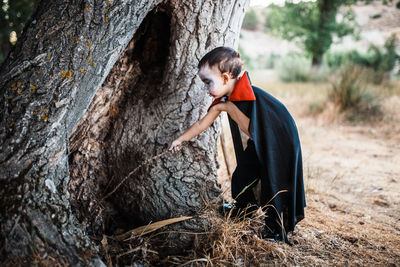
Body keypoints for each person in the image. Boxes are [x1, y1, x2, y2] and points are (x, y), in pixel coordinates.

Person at [168, 46, 306, 244]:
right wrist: (181, 139)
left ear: (225, 78)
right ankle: (244, 209)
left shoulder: (250, 96)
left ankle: (275, 229)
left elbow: (262, 126)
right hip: (258, 142)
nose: (206, 89)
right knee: (243, 175)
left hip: (279, 143)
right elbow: (201, 123)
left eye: (208, 83)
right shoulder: (224, 101)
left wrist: (229, 108)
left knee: (274, 182)